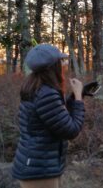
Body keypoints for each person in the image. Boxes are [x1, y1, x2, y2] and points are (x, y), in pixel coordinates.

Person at [12, 44, 85, 188]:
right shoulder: (47, 93)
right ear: (53, 67)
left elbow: (54, 116)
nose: (63, 65)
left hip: (38, 164)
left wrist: (73, 99)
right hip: (39, 169)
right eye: (60, 62)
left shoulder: (36, 86)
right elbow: (71, 130)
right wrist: (78, 99)